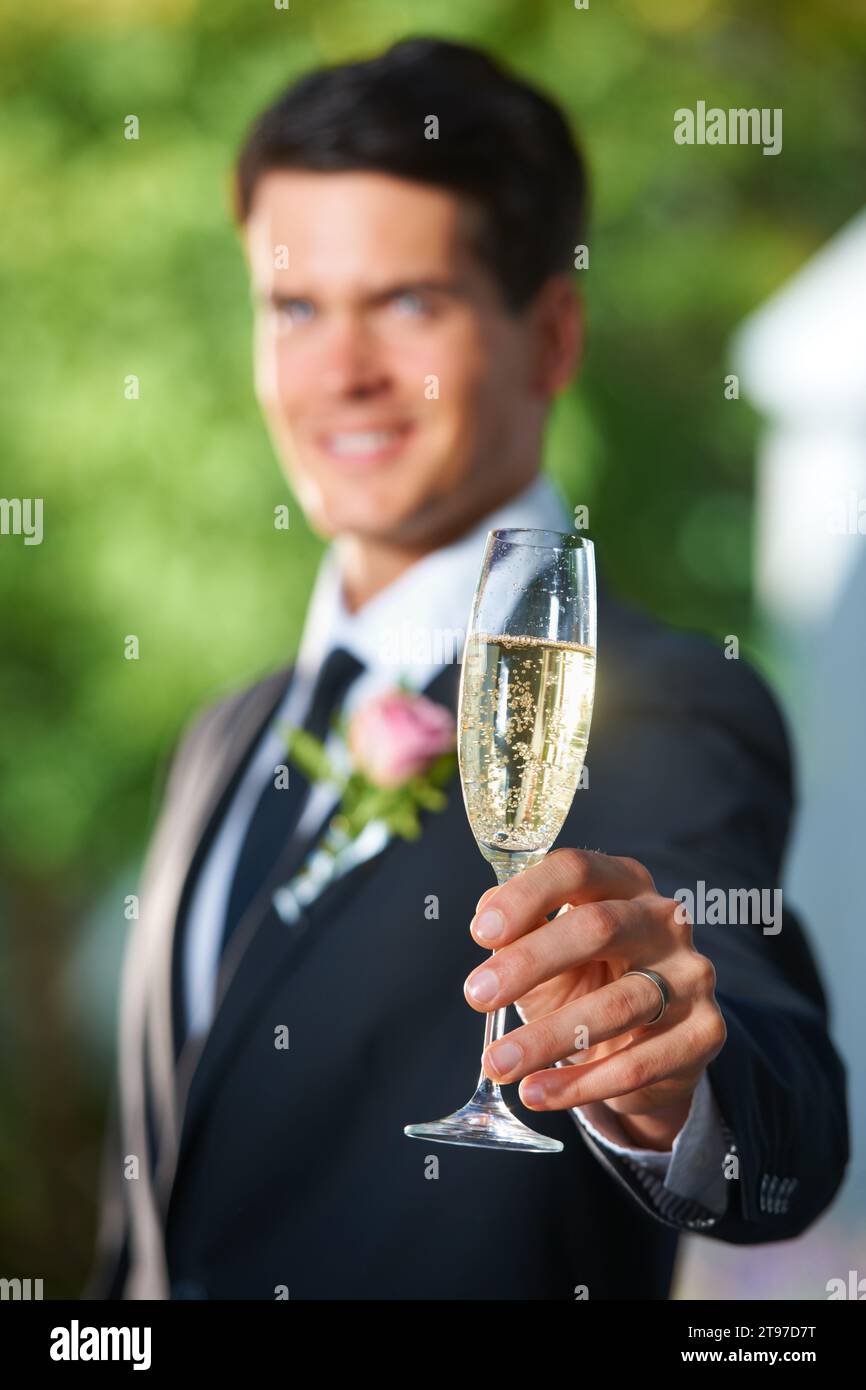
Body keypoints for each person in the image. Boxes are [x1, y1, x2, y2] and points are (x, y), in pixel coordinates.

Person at [85, 37, 848, 1300]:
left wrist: (674, 1084)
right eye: (293, 306)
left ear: (549, 337)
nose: (340, 371)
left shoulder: (657, 701)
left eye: (406, 302)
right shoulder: (231, 732)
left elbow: (782, 1118)